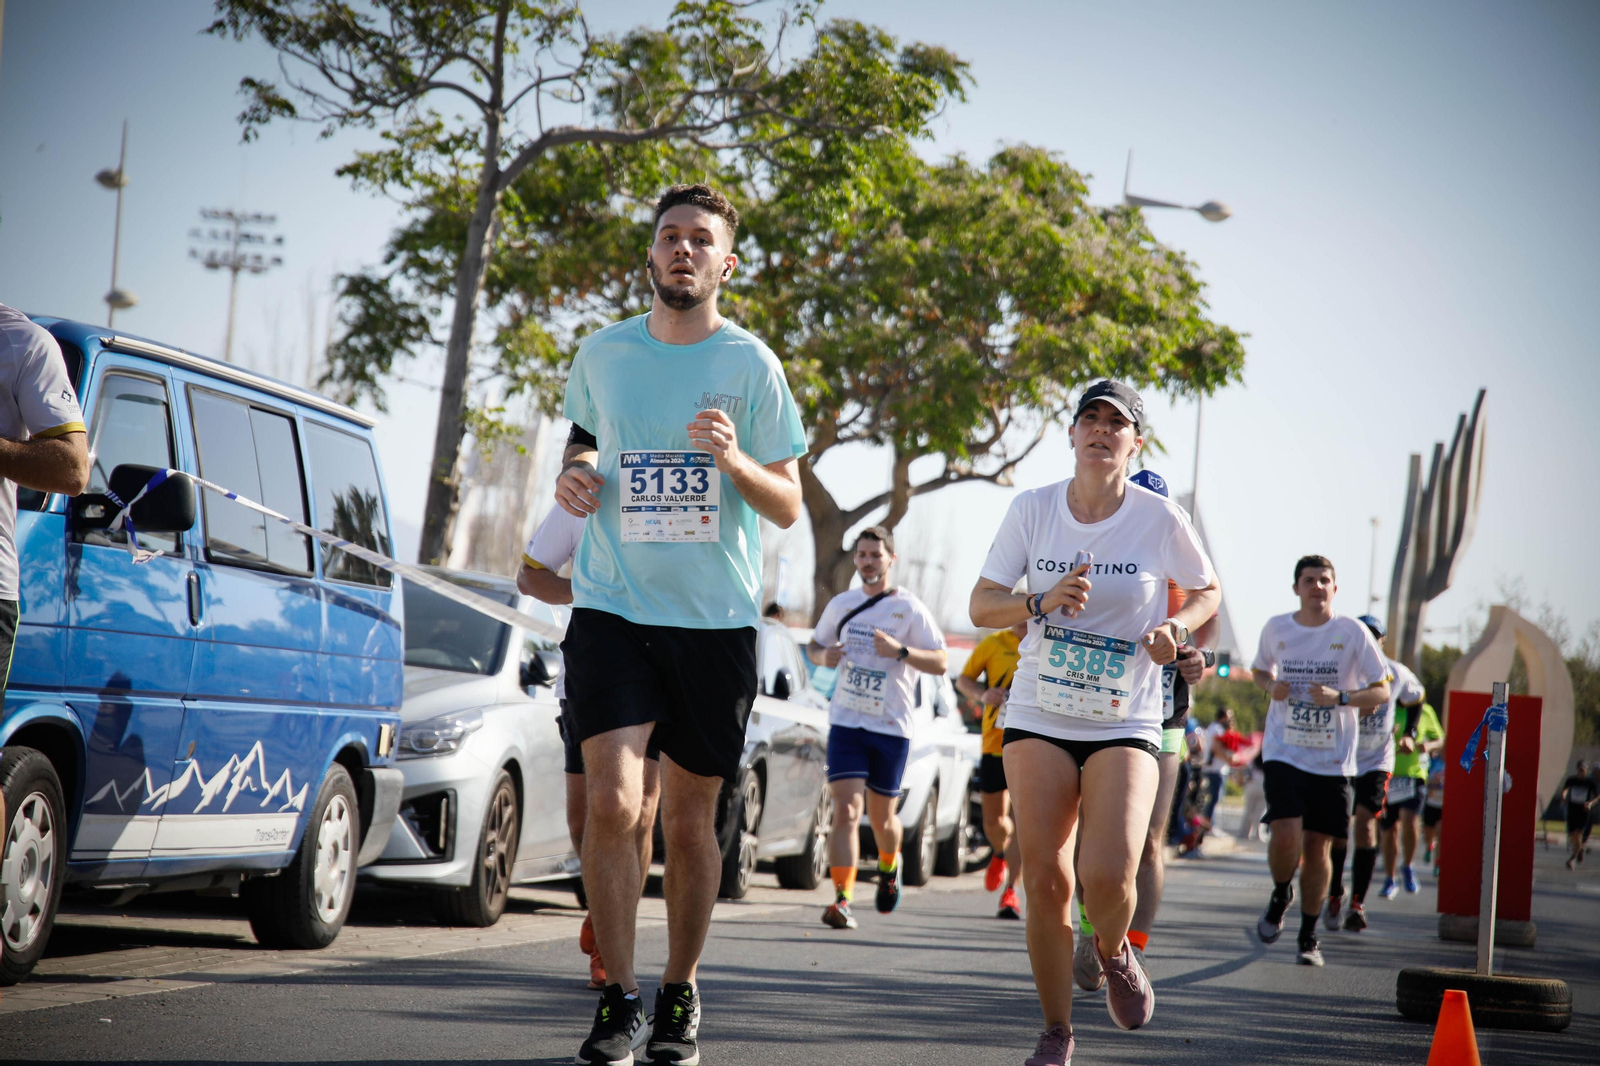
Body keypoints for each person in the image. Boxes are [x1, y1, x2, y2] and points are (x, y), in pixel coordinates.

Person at [553, 184, 808, 1066]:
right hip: (611, 606)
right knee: (614, 803)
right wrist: (576, 473)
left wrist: (734, 460)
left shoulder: (753, 365)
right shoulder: (603, 352)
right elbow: (585, 436)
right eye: (670, 236)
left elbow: (787, 505)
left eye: (701, 239)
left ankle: (680, 989)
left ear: (725, 264)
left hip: (714, 621)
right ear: (651, 255)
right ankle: (618, 997)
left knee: (691, 823)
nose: (683, 250)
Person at [969, 380, 1220, 1065]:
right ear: (1073, 434)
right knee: (1047, 879)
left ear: (1135, 442)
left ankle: (1112, 950)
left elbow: (1207, 591)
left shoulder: (1159, 517)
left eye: (1117, 422)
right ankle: (1056, 1030)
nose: (1102, 429)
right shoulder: (1033, 508)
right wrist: (1041, 600)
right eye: (1091, 418)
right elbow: (982, 605)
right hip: (1039, 709)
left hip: (1123, 716)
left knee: (1108, 877)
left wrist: (1175, 627)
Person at [1072, 471, 1210, 992]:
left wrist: (1196, 660)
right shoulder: (1101, 552)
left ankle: (1135, 947)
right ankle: (1090, 930)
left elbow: (1209, 645)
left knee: (1150, 839)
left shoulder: (1186, 567)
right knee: (1093, 833)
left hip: (1163, 715)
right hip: (1096, 709)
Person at [516, 505, 662, 991]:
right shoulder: (584, 497)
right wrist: (590, 590)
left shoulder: (680, 488)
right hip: (592, 678)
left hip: (662, 675)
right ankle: (603, 907)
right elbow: (529, 578)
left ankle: (608, 940)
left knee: (639, 813)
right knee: (588, 820)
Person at [1251, 555, 1390, 967]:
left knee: (1317, 848)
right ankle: (1281, 893)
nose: (1316, 586)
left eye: (1324, 580)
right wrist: (1271, 687)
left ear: (1334, 587)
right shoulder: (1277, 627)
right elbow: (1258, 671)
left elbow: (1381, 690)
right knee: (1285, 834)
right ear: (1296, 587)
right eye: (1309, 580)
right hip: (1284, 750)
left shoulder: (1352, 632)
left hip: (1333, 760)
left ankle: (1309, 934)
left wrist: (1341, 697)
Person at [808, 526, 947, 929]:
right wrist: (823, 657)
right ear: (855, 559)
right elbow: (815, 646)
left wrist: (901, 651)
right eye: (862, 555)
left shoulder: (910, 609)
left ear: (891, 559)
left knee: (882, 818)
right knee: (846, 810)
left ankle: (889, 864)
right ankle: (843, 900)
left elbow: (940, 661)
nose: (867, 562)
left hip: (891, 727)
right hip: (847, 722)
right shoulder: (841, 604)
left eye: (875, 555)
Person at [1324, 614, 1426, 930]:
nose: (1367, 641)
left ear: (1382, 641)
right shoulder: (1339, 670)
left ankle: (1357, 903)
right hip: (1341, 758)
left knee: (1366, 826)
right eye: (1362, 635)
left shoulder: (1396, 673)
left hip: (1376, 760)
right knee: (1338, 831)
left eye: (1374, 636)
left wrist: (1409, 732)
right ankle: (1335, 892)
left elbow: (1417, 698)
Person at [956, 618, 1028, 919]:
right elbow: (963, 680)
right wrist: (983, 695)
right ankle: (999, 852)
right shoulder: (994, 643)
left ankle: (1011, 892)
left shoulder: (1048, 641)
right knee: (995, 822)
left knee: (1023, 823)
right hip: (995, 743)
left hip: (1032, 745)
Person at [1200, 707, 1235, 826]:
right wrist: (1228, 759)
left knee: (1212, 798)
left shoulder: (1214, 727)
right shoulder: (1217, 729)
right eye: (1228, 717)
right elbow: (1216, 748)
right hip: (1215, 768)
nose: (1230, 719)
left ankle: (1208, 823)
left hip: (1214, 768)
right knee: (1213, 798)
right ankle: (1207, 824)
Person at [1562, 760, 1598, 870]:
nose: (1582, 772)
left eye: (1584, 770)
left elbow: (1597, 796)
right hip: (1572, 810)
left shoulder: (1589, 782)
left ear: (1586, 770)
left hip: (1583, 811)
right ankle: (1580, 848)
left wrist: (1590, 803)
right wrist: (1564, 797)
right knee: (1572, 836)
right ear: (1577, 769)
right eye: (1580, 769)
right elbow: (1565, 790)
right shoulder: (1572, 780)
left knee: (1579, 835)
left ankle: (1572, 859)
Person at [1422, 755, 1444, 873]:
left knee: (1440, 833)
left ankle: (1437, 864)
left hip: (1443, 805)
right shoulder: (1433, 761)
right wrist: (1433, 782)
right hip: (1430, 803)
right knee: (1428, 834)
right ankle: (1429, 846)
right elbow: (1424, 778)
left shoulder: (1455, 762)